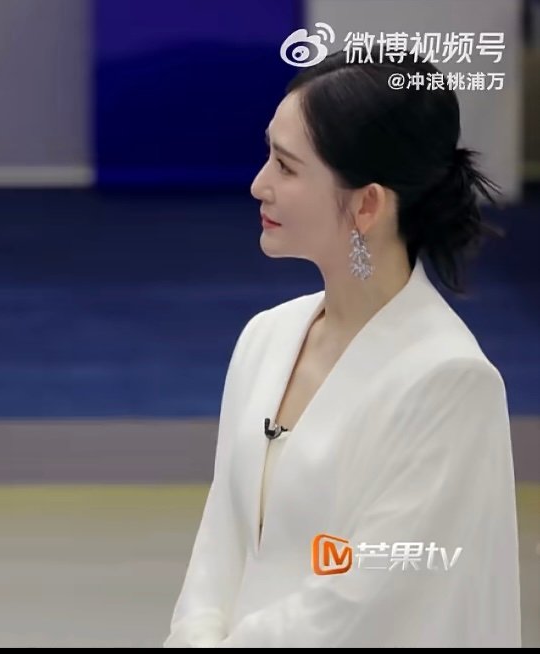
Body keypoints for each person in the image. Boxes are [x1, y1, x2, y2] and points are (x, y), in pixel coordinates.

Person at [164, 49, 521, 648]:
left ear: (367, 204)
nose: (258, 184)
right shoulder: (266, 337)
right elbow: (219, 545)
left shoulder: (449, 380)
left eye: (286, 166)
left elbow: (371, 600)